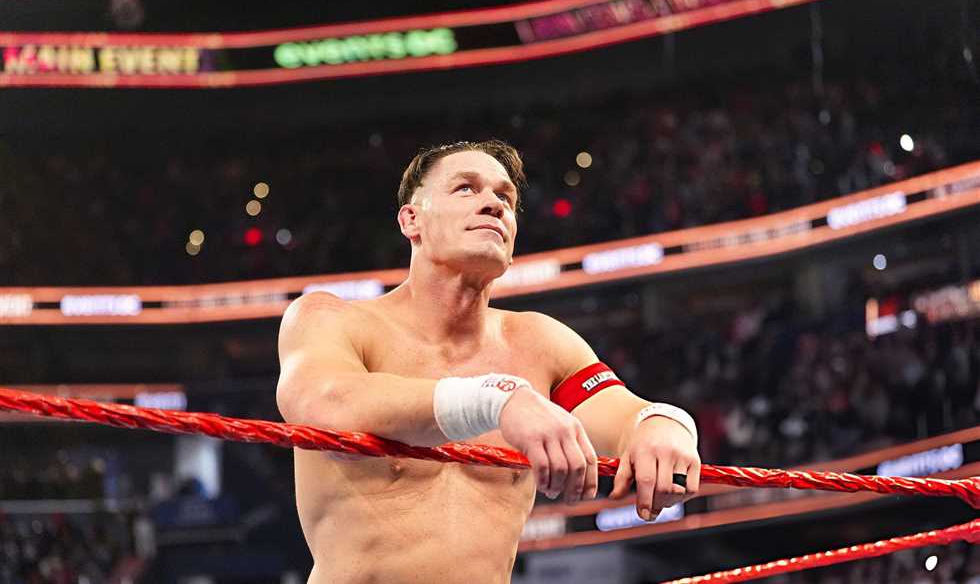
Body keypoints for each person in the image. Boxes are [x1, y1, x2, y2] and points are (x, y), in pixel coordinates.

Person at [276, 140, 700, 583]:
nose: (494, 204)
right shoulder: (329, 319)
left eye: (505, 198)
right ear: (411, 219)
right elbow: (324, 402)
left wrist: (665, 425)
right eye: (465, 188)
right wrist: (496, 400)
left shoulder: (541, 343)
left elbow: (629, 415)